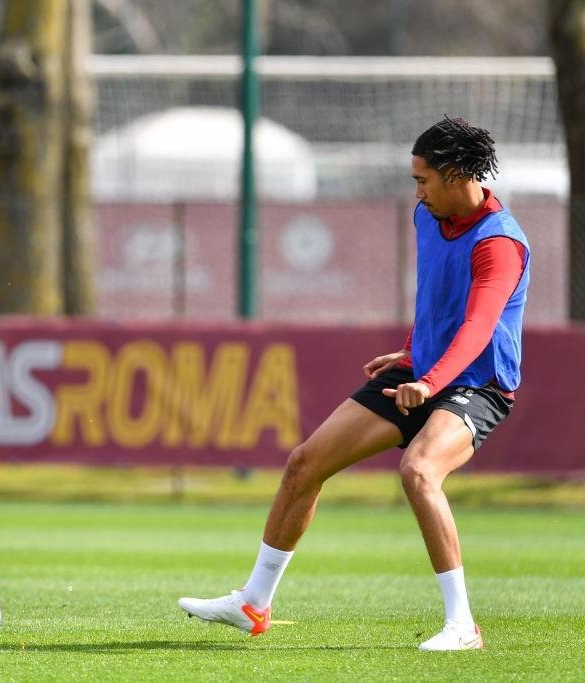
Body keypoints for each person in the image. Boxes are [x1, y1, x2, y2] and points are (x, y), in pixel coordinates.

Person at [178, 116, 529, 652]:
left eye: (423, 179)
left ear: (457, 173)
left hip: (477, 383)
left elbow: (479, 328)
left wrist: (431, 378)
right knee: (304, 464)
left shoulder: (499, 244)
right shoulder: (427, 216)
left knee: (418, 471)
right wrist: (415, 353)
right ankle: (253, 603)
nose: (416, 190)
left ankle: (463, 626)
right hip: (423, 370)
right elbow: (437, 296)